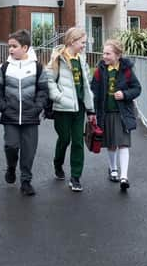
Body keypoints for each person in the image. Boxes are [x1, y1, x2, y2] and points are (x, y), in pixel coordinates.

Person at [0, 29, 49, 196]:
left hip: (31, 117)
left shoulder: (37, 67)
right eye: (9, 46)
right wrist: (3, 106)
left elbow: (43, 90)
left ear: (25, 48)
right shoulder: (4, 67)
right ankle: (11, 167)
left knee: (29, 151)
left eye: (14, 46)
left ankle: (26, 181)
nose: (10, 49)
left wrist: (37, 107)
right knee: (11, 145)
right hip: (10, 116)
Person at [47, 27, 95, 192]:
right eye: (82, 42)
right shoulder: (57, 59)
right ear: (72, 41)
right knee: (64, 139)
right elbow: (49, 80)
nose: (84, 46)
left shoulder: (82, 59)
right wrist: (58, 96)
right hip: (62, 108)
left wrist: (90, 109)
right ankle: (58, 163)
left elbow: (86, 84)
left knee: (77, 142)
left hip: (79, 108)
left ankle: (75, 177)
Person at [90, 39, 141, 191]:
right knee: (111, 145)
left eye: (108, 53)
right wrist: (92, 112)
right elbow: (94, 92)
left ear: (118, 55)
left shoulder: (126, 70)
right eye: (103, 53)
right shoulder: (100, 70)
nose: (104, 56)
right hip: (106, 113)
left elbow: (137, 88)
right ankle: (113, 169)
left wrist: (125, 94)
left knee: (124, 144)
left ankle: (124, 177)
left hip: (122, 114)